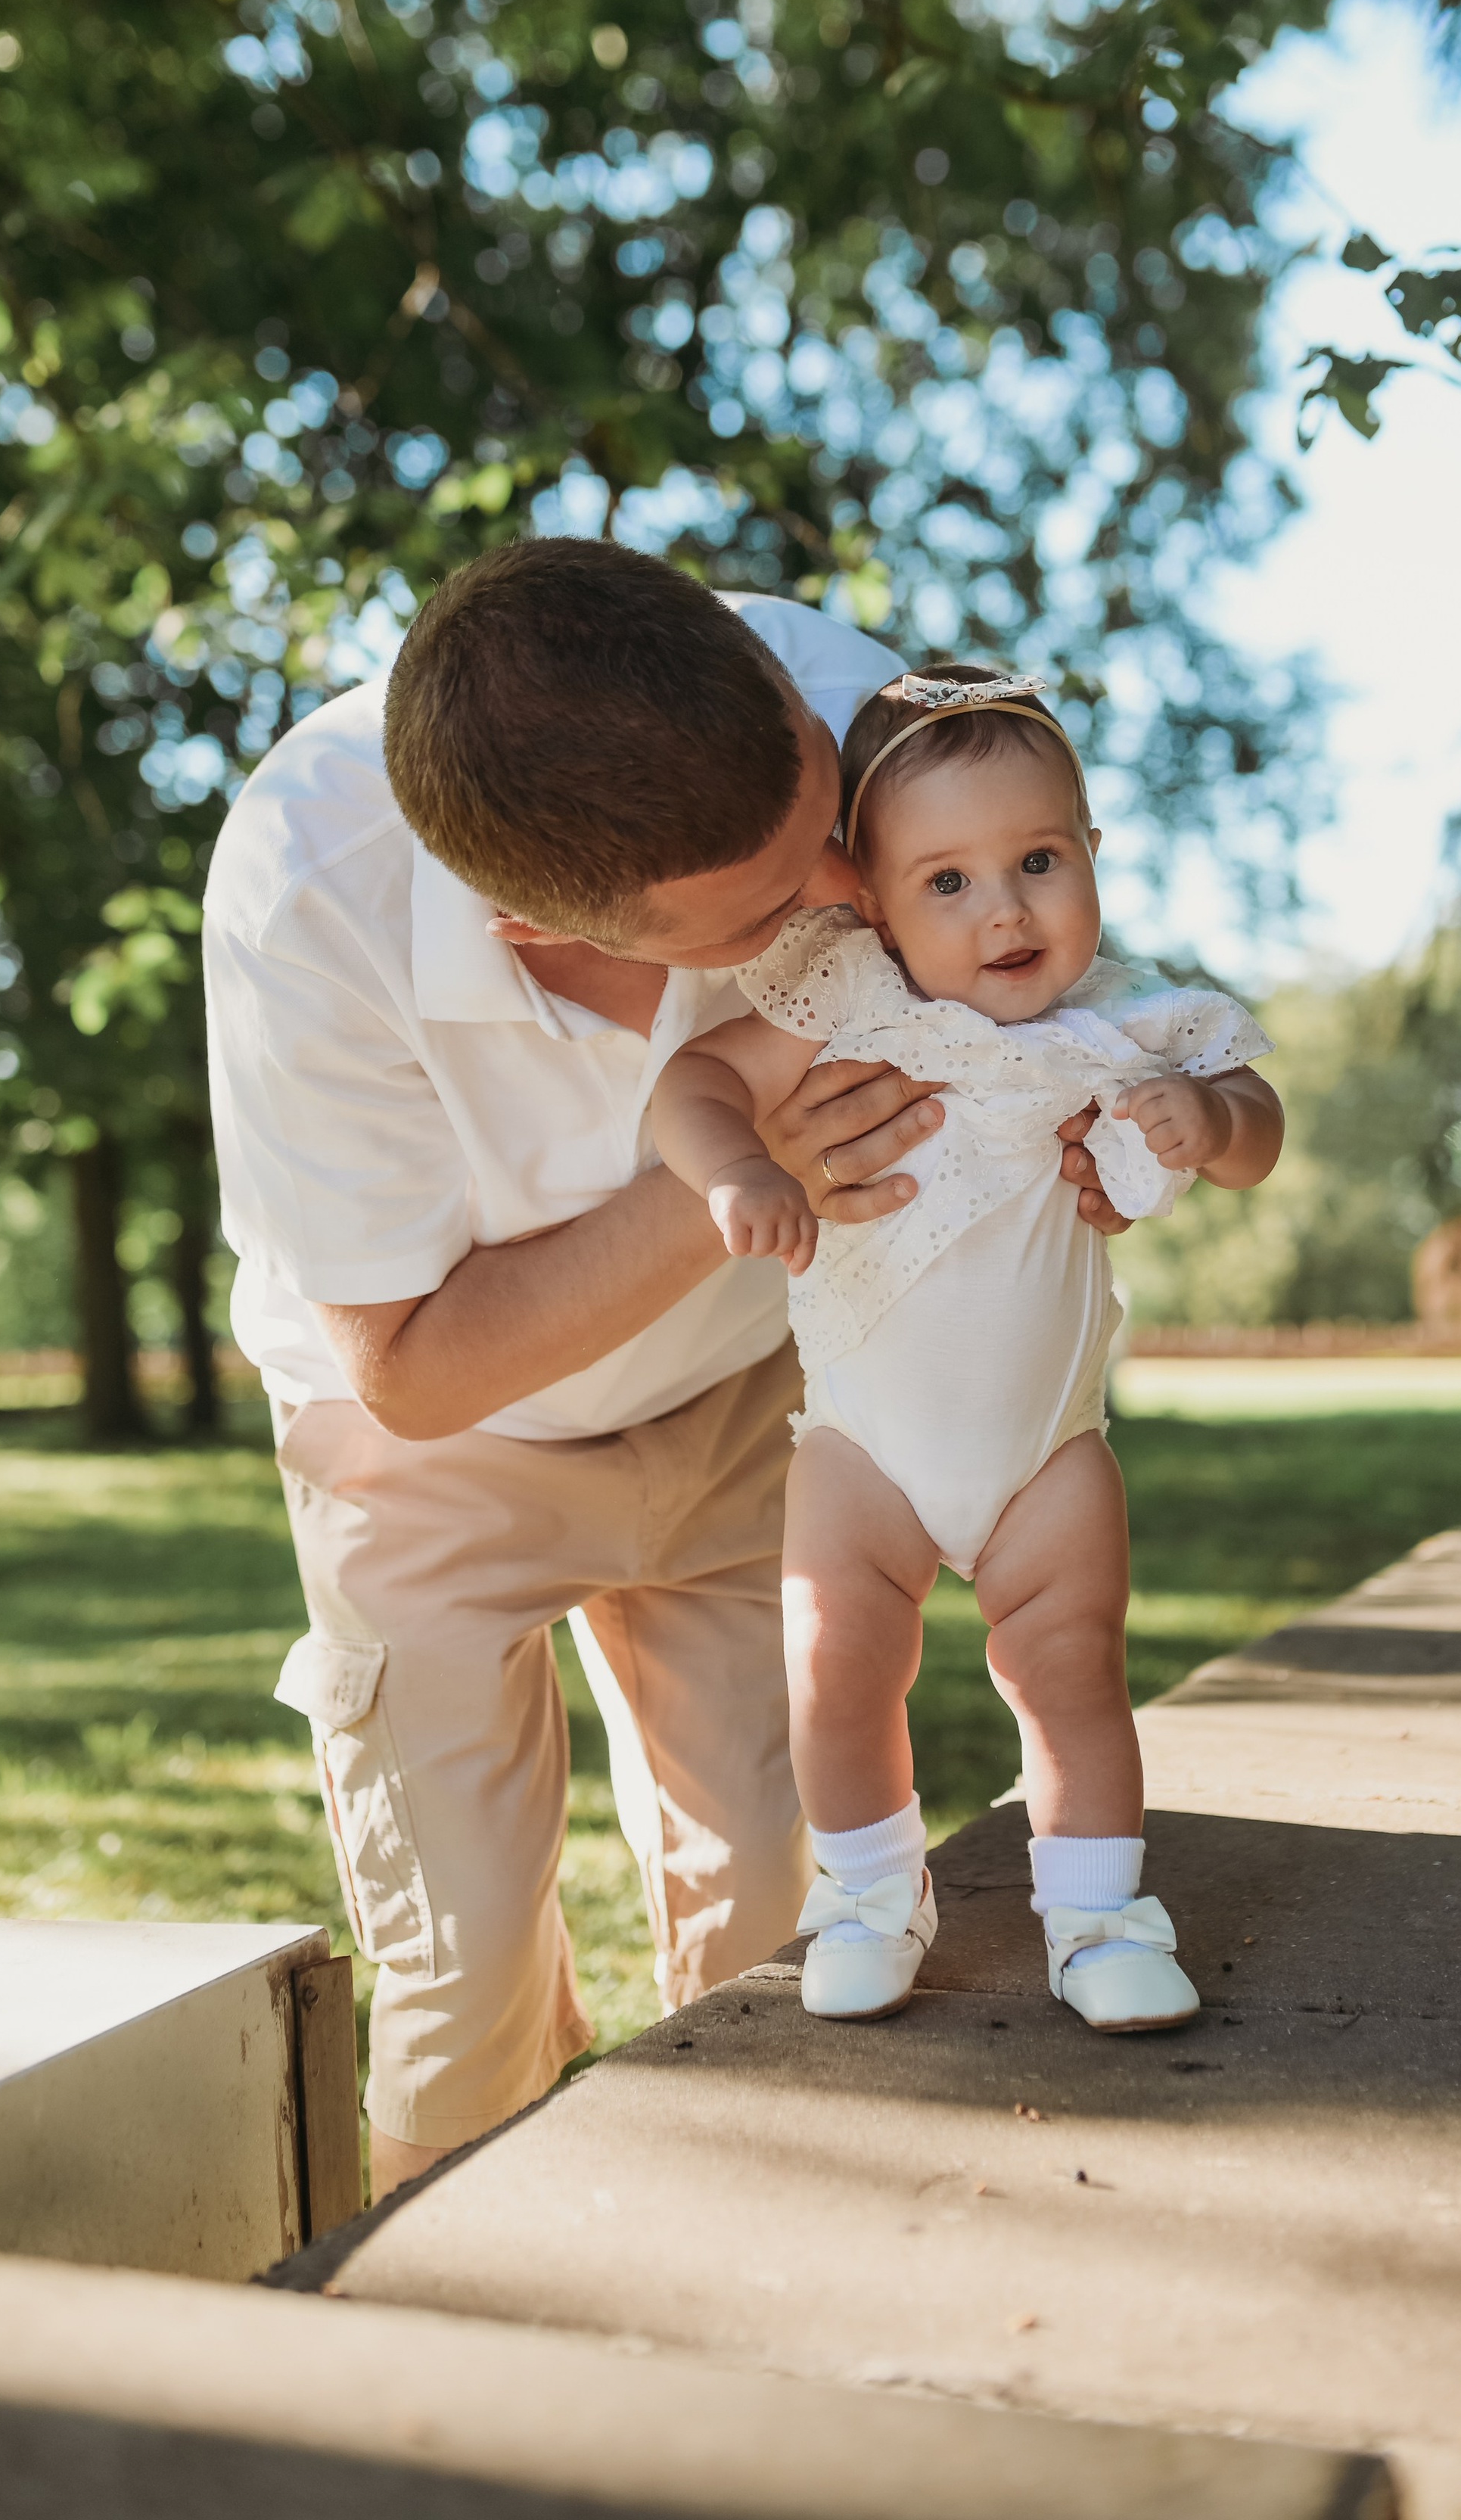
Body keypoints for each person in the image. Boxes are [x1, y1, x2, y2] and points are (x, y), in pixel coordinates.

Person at [203, 544, 1132, 2197]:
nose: (851, 896)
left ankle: (747, 2288)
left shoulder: (847, 706)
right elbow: (409, 1369)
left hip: (739, 1412)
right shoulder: (303, 896)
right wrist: (731, 1172)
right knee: (460, 1984)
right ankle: (448, 2338)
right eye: (785, 904)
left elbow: (1021, 918)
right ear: (532, 931)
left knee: (777, 1930)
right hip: (426, 1448)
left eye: (830, 834)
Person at [650, 664, 1282, 2030]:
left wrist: (1211, 1122)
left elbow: (1257, 1116)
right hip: (865, 1447)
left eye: (1039, 860)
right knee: (833, 1666)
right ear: (869, 901)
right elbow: (692, 1084)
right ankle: (873, 1895)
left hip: (1045, 1451)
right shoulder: (852, 1004)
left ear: (1093, 855)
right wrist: (729, 1175)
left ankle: (1101, 1916)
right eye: (946, 881)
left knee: (1072, 1671)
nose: (1003, 907)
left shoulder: (1130, 1022)